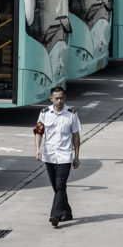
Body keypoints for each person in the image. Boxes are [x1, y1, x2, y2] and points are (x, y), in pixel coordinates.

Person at [34, 86, 81, 227]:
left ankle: (54, 215)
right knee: (56, 187)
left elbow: (76, 136)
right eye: (56, 98)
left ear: (65, 98)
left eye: (61, 98)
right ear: (51, 99)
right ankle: (66, 212)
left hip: (65, 156)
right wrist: (37, 149)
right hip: (49, 155)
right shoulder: (44, 113)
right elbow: (38, 131)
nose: (59, 101)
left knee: (60, 186)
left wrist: (76, 156)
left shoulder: (71, 114)